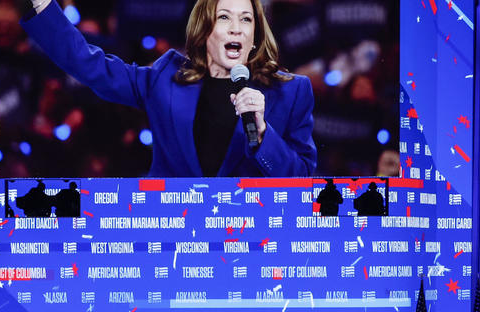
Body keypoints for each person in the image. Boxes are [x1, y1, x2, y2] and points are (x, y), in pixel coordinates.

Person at [18, 0, 316, 178]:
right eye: (225, 17)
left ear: (255, 35)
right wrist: (42, 6)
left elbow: (302, 181)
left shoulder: (290, 92)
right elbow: (90, 66)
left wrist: (263, 134)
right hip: (173, 242)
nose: (237, 28)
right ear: (204, 30)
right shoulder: (164, 79)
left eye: (246, 19)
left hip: (249, 246)